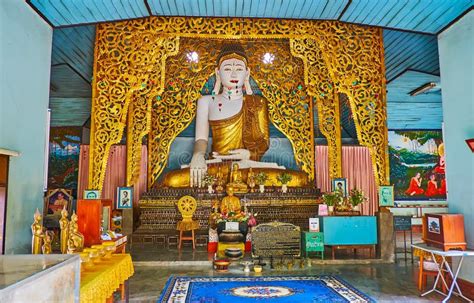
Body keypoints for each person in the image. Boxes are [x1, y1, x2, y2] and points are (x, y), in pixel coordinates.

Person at [162, 44, 308, 188]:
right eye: (227, 69)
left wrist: (249, 154)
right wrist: (198, 156)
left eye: (238, 69)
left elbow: (263, 142)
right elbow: (201, 139)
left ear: (247, 73)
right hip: (217, 166)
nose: (233, 74)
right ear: (218, 73)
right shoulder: (206, 101)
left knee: (299, 179)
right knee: (172, 180)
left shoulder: (258, 102)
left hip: (247, 166)